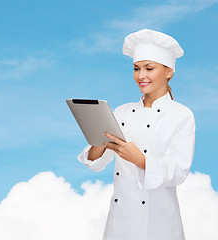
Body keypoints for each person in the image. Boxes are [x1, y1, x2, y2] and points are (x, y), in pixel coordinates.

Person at [78, 29, 195, 240]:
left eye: (149, 68)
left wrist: (140, 159)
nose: (141, 76)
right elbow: (95, 163)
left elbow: (178, 172)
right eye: (136, 68)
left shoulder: (181, 115)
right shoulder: (121, 112)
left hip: (159, 221)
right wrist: (98, 138)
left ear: (169, 72)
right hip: (120, 221)